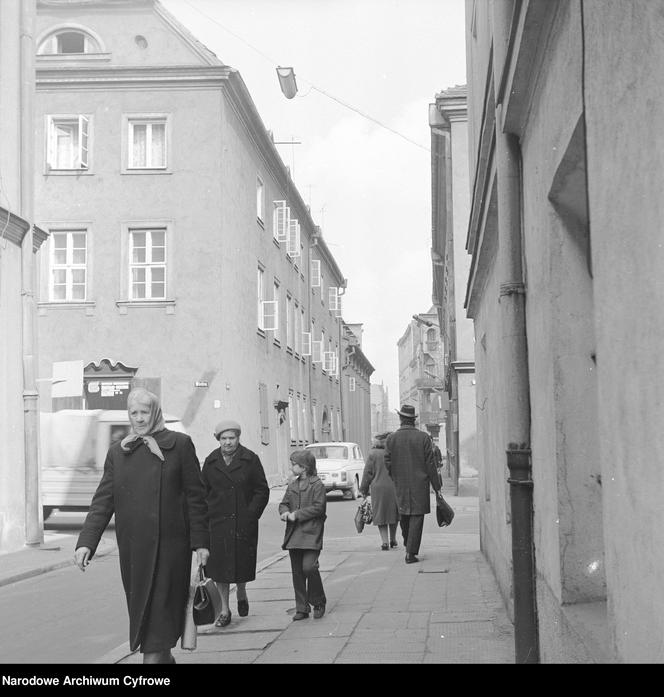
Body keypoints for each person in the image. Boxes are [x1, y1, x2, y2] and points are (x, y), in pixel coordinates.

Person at [75, 388, 210, 665]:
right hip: (135, 554)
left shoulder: (180, 445)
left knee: (155, 639)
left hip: (170, 552)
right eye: (133, 413)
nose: (139, 418)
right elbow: (103, 501)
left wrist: (201, 543)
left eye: (144, 412)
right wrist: (86, 542)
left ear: (155, 413)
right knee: (151, 628)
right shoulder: (119, 452)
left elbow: (197, 499)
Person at [201, 420, 269, 628]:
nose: (228, 442)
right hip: (219, 524)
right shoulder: (211, 462)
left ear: (238, 438)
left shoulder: (250, 460)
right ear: (218, 439)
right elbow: (203, 492)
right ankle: (224, 610)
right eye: (224, 438)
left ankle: (241, 590)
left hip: (242, 522)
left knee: (240, 564)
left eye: (232, 438)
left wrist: (251, 514)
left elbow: (261, 490)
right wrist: (206, 517)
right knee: (220, 569)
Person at [384, 404, 443, 564]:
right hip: (420, 484)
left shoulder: (391, 439)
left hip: (400, 484)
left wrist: (395, 476)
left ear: (401, 419)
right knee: (417, 517)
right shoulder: (423, 438)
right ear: (413, 420)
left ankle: (407, 543)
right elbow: (431, 464)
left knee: (404, 515)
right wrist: (436, 486)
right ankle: (411, 551)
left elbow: (387, 461)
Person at [279, 449, 327, 621]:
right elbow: (283, 504)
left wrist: (296, 514)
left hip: (312, 533)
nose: (291, 467)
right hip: (294, 534)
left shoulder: (317, 485)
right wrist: (284, 512)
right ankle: (302, 607)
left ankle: (318, 601)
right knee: (297, 572)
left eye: (294, 464)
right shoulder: (292, 485)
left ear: (304, 467)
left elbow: (318, 508)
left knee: (309, 567)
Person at [359, 432, 399, 550]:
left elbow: (367, 473)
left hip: (378, 488)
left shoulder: (373, 454)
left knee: (381, 514)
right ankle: (393, 539)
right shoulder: (394, 453)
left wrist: (364, 490)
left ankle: (385, 542)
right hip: (393, 487)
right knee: (393, 513)